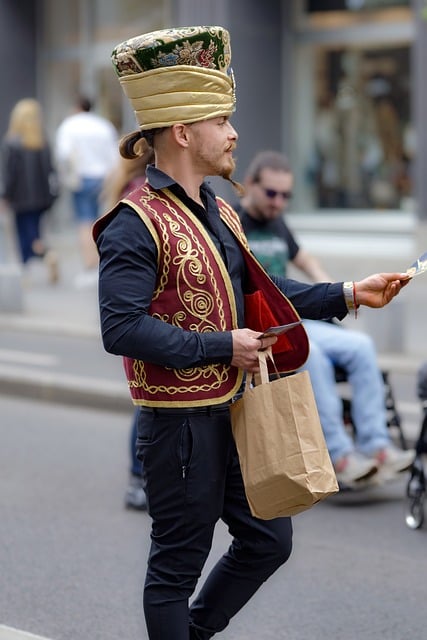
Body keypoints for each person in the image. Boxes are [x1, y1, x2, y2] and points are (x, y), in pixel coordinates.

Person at [93, 26, 410, 640]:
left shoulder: (220, 209)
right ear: (184, 132)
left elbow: (265, 296)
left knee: (269, 539)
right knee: (174, 571)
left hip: (235, 409)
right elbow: (121, 328)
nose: (234, 132)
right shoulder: (133, 223)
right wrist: (222, 346)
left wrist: (348, 292)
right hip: (179, 426)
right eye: (222, 119)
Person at [237, 149, 415, 488]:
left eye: (286, 195)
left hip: (297, 317)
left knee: (361, 345)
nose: (278, 202)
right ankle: (340, 456)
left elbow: (305, 260)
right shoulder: (234, 224)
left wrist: (334, 291)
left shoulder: (277, 222)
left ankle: (377, 447)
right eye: (271, 193)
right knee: (313, 355)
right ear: (249, 185)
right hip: (265, 328)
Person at [102, 145, 154, 511]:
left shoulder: (134, 187)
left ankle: (140, 476)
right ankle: (137, 477)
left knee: (145, 401)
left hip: (150, 318)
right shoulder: (139, 196)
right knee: (146, 401)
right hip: (145, 319)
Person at [55, 95, 118, 288]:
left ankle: (90, 265)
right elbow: (114, 156)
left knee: (85, 221)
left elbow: (64, 153)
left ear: (77, 106)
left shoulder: (69, 125)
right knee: (103, 221)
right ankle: (103, 265)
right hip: (103, 178)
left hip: (81, 178)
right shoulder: (104, 126)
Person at [0, 98, 59, 283]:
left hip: (20, 198)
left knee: (23, 234)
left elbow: (10, 174)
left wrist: (5, 196)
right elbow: (50, 170)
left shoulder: (12, 143)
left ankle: (25, 270)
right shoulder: (42, 141)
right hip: (42, 198)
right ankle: (46, 254)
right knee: (34, 232)